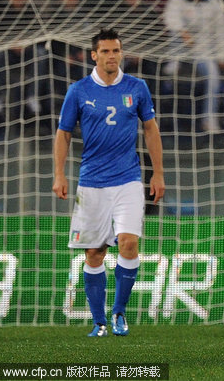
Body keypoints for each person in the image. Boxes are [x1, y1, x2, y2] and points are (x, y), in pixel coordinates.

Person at [52, 28, 165, 337]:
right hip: (91, 182)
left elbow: (151, 130)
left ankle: (119, 313)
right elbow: (63, 133)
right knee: (95, 253)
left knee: (129, 243)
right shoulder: (79, 90)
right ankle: (98, 321)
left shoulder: (137, 87)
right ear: (94, 55)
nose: (111, 56)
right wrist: (59, 174)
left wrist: (157, 173)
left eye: (116, 50)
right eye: (105, 51)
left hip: (128, 179)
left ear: (121, 53)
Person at [163, 0, 224, 133]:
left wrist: (222, 55)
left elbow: (221, 32)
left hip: (204, 52)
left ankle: (209, 119)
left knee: (213, 78)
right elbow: (169, 19)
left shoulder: (214, 4)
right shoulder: (176, 1)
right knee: (168, 77)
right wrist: (183, 32)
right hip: (179, 52)